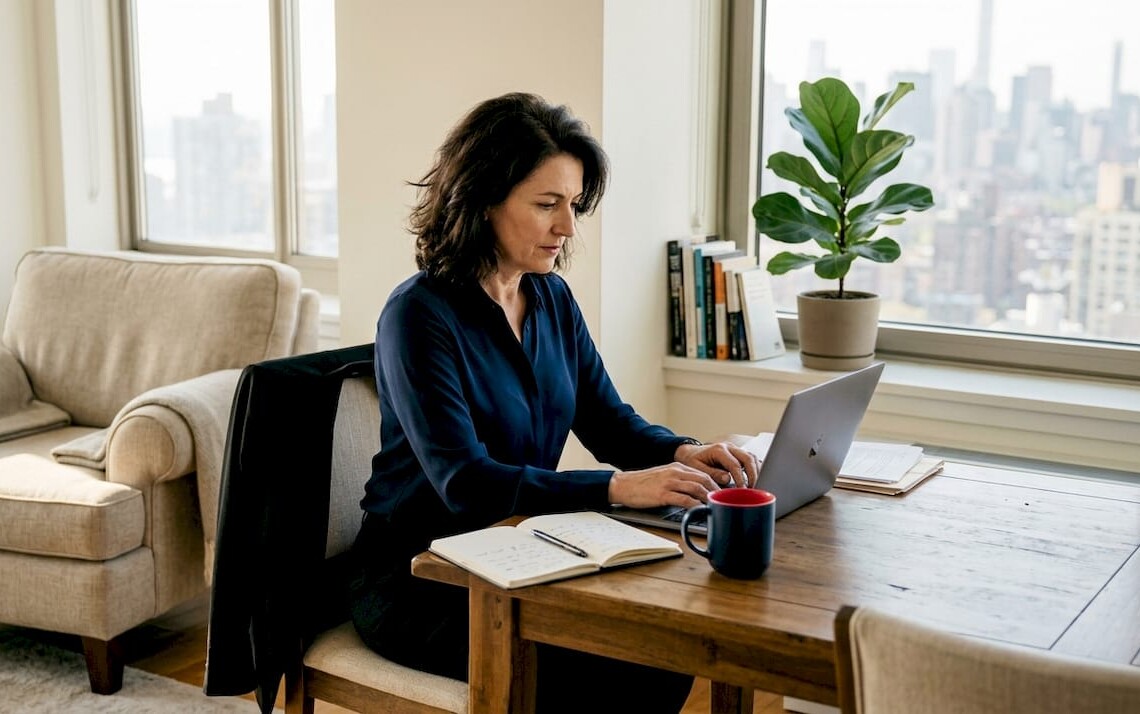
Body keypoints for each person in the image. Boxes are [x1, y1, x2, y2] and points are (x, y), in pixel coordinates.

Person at [349, 92, 761, 713]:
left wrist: (687, 452)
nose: (567, 227)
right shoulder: (418, 315)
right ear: (483, 200)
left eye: (573, 205)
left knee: (663, 648)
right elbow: (465, 483)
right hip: (420, 575)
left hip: (520, 550)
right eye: (547, 205)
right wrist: (619, 489)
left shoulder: (550, 299)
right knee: (620, 672)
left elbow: (608, 420)